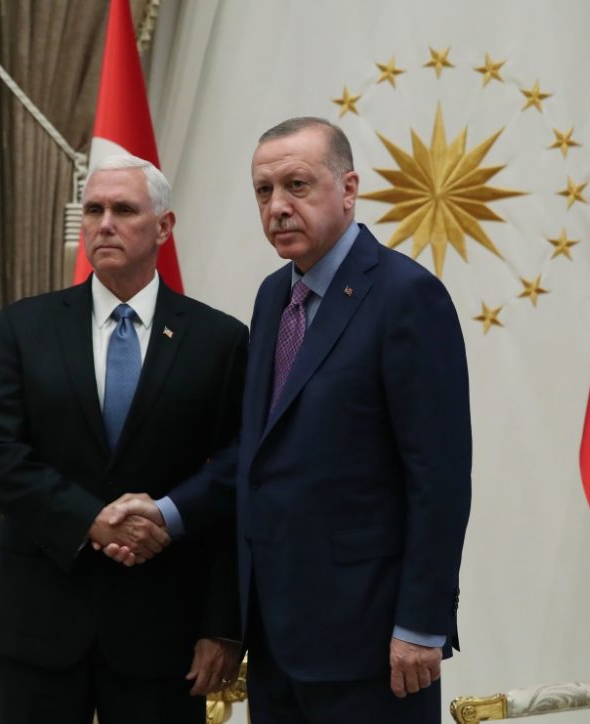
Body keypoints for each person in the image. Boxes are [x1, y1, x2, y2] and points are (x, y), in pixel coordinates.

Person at [106, 118, 472, 723]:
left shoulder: (408, 296)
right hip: (276, 641)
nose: (278, 207)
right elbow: (257, 455)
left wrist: (422, 625)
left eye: (297, 185)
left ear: (349, 189)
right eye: (263, 191)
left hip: (373, 641)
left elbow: (440, 478)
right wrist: (167, 512)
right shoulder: (274, 295)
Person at [0, 154, 247, 723]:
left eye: (124, 209)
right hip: (41, 617)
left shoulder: (218, 338)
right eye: (93, 210)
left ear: (163, 228)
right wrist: (89, 519)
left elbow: (236, 474)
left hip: (163, 623)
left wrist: (223, 626)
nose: (105, 224)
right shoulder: (26, 326)